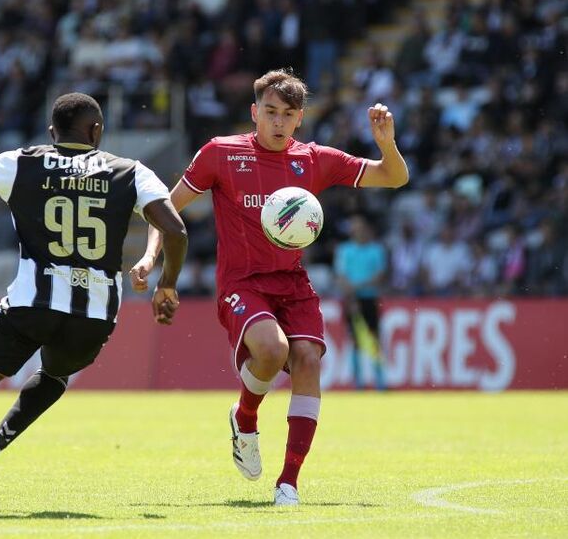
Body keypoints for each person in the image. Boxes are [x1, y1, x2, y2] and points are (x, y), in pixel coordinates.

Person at [0, 92, 187, 516]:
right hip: (94, 316)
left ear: (52, 132)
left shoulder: (23, 162)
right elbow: (175, 230)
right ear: (96, 131)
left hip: (31, 306)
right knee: (54, 375)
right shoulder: (131, 171)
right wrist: (166, 284)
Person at [130, 69, 408, 505]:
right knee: (273, 350)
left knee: (308, 361)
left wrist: (386, 143)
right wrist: (151, 258)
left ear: (300, 118)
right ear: (254, 111)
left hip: (293, 283)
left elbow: (394, 177)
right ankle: (245, 418)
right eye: (271, 111)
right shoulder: (221, 153)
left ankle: (288, 484)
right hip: (242, 283)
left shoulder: (313, 159)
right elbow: (165, 208)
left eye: (288, 114)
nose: (279, 122)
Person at [334, 214, 387, 390]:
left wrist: (357, 286)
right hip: (352, 299)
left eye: (360, 228)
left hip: (370, 298)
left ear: (367, 229)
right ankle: (358, 383)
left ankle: (380, 382)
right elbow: (341, 276)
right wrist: (352, 293)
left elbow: (380, 276)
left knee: (374, 338)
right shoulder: (345, 250)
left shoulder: (376, 250)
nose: (358, 231)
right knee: (355, 340)